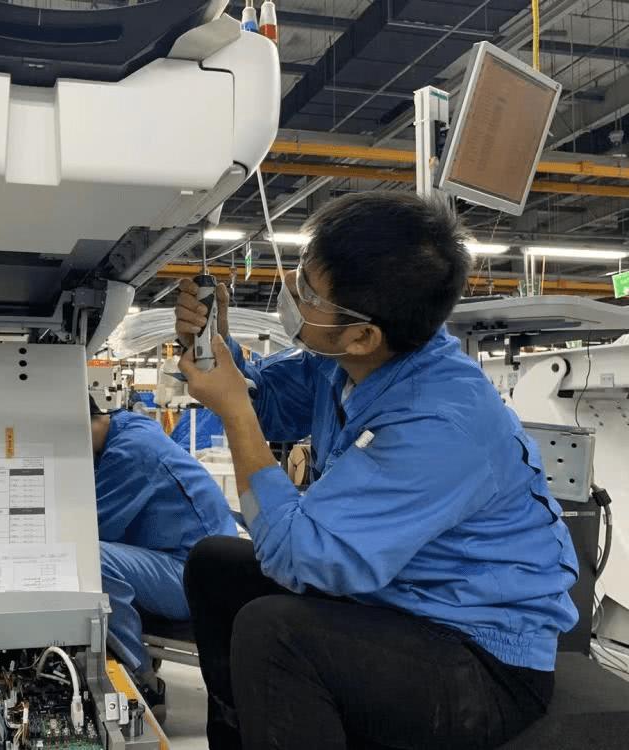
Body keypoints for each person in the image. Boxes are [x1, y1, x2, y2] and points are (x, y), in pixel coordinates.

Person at [174, 191, 579, 750]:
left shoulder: (440, 423)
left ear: (363, 335)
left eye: (308, 292)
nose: (290, 290)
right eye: (301, 272)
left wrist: (234, 414)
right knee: (214, 565)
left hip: (479, 656)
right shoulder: (351, 358)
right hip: (397, 601)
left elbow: (299, 558)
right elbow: (272, 401)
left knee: (275, 634)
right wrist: (217, 351)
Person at [90, 396, 237, 715]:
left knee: (91, 558)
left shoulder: (131, 451)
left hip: (197, 579)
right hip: (194, 564)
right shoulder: (126, 426)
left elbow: (93, 528)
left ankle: (140, 678)